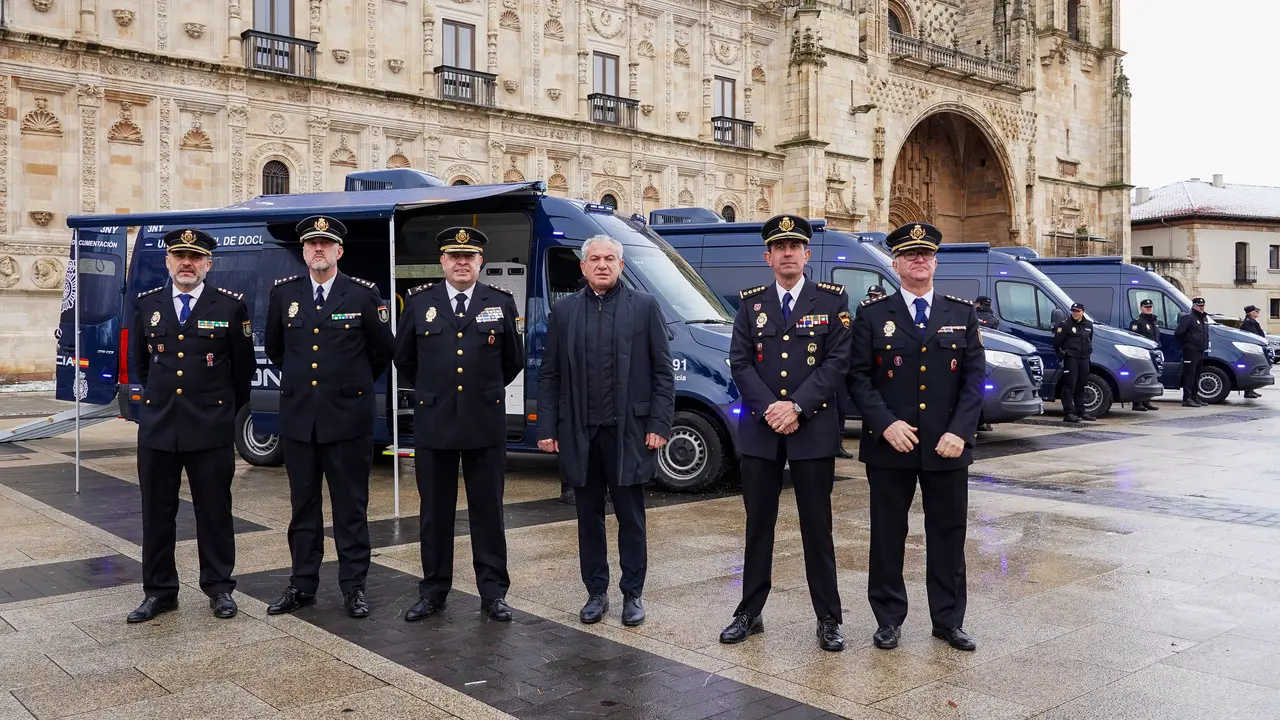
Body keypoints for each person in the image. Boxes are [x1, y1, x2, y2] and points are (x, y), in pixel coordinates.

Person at [847, 222, 985, 652]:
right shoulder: (873, 315)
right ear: (896, 264)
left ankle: (948, 621)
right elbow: (858, 377)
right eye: (910, 255)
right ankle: (888, 619)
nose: (919, 260)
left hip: (947, 447)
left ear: (935, 262)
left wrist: (960, 432)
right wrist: (885, 423)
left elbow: (974, 380)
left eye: (925, 254)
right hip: (891, 445)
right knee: (887, 535)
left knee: (948, 535)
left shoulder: (961, 314)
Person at [721, 214, 851, 652]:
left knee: (817, 527)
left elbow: (838, 362)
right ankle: (749, 612)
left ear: (807, 254)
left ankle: (829, 618)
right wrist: (771, 409)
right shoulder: (751, 304)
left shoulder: (831, 300)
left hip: (811, 427)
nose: (788, 253)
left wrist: (795, 406)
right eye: (780, 247)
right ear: (768, 257)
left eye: (795, 246)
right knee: (758, 525)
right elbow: (740, 362)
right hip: (762, 429)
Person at [537, 235, 675, 627]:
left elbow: (663, 371)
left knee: (631, 517)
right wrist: (547, 427)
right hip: (581, 434)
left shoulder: (644, 307)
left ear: (621, 265)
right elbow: (550, 375)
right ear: (583, 267)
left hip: (628, 434)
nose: (602, 265)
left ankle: (633, 593)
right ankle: (596, 593)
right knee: (588, 518)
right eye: (595, 259)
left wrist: (659, 424)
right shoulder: (564, 311)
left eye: (610, 259)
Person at [264, 216, 395, 618]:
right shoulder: (284, 294)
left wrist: (348, 384)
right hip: (300, 421)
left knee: (350, 510)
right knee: (303, 509)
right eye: (311, 244)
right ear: (304, 251)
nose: (318, 249)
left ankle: (353, 587)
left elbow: (382, 350)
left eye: (325, 243)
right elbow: (276, 349)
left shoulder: (362, 294)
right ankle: (302, 584)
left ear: (339, 250)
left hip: (347, 421)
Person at [395, 227, 525, 622]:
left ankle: (493, 593)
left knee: (488, 513)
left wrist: (479, 392)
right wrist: (436, 391)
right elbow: (405, 358)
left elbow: (513, 360)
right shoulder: (420, 302)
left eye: (469, 256)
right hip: (435, 423)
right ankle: (434, 591)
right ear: (443, 261)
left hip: (484, 423)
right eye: (454, 256)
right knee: (435, 514)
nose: (462, 262)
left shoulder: (499, 302)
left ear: (480, 262)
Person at [125, 229, 255, 623]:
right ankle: (159, 592)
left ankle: (219, 588)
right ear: (168, 261)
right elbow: (141, 365)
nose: (187, 263)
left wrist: (218, 410)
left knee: (214, 512)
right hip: (159, 427)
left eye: (195, 257)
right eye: (179, 256)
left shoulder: (230, 306)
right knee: (156, 514)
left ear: (208, 264)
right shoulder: (148, 304)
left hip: (209, 427)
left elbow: (243, 371)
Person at [1053, 302, 1095, 423]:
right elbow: (1057, 342)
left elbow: (1090, 339)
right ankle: (1069, 413)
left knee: (1081, 385)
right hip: (1071, 358)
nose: (1075, 313)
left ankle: (1081, 411)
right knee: (1070, 385)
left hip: (1084, 358)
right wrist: (1063, 353)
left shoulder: (1088, 324)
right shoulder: (1066, 324)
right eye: (1073, 311)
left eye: (1078, 311)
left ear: (1083, 312)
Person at [1175, 297, 1210, 407]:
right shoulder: (1188, 318)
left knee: (1197, 374)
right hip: (1191, 350)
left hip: (1200, 350)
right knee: (1189, 374)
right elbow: (1179, 333)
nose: (1201, 307)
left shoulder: (1204, 318)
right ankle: (1187, 398)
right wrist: (1188, 343)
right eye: (1199, 306)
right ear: (1194, 306)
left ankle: (1195, 396)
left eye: (1203, 305)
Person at [1128, 299, 1162, 411]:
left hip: (1152, 353)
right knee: (1140, 377)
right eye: (1146, 307)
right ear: (1141, 308)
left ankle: (1146, 401)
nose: (1149, 309)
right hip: (1141, 354)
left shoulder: (1153, 321)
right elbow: (1134, 339)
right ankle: (1137, 403)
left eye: (1150, 307)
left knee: (1150, 377)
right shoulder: (1137, 322)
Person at [1241, 305, 1265, 399]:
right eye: (1256, 311)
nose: (1258, 313)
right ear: (1251, 313)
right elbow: (1254, 336)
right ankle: (1248, 391)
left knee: (1252, 369)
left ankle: (1250, 390)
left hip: (1253, 349)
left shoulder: (1251, 321)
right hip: (1251, 349)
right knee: (1250, 369)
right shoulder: (1248, 323)